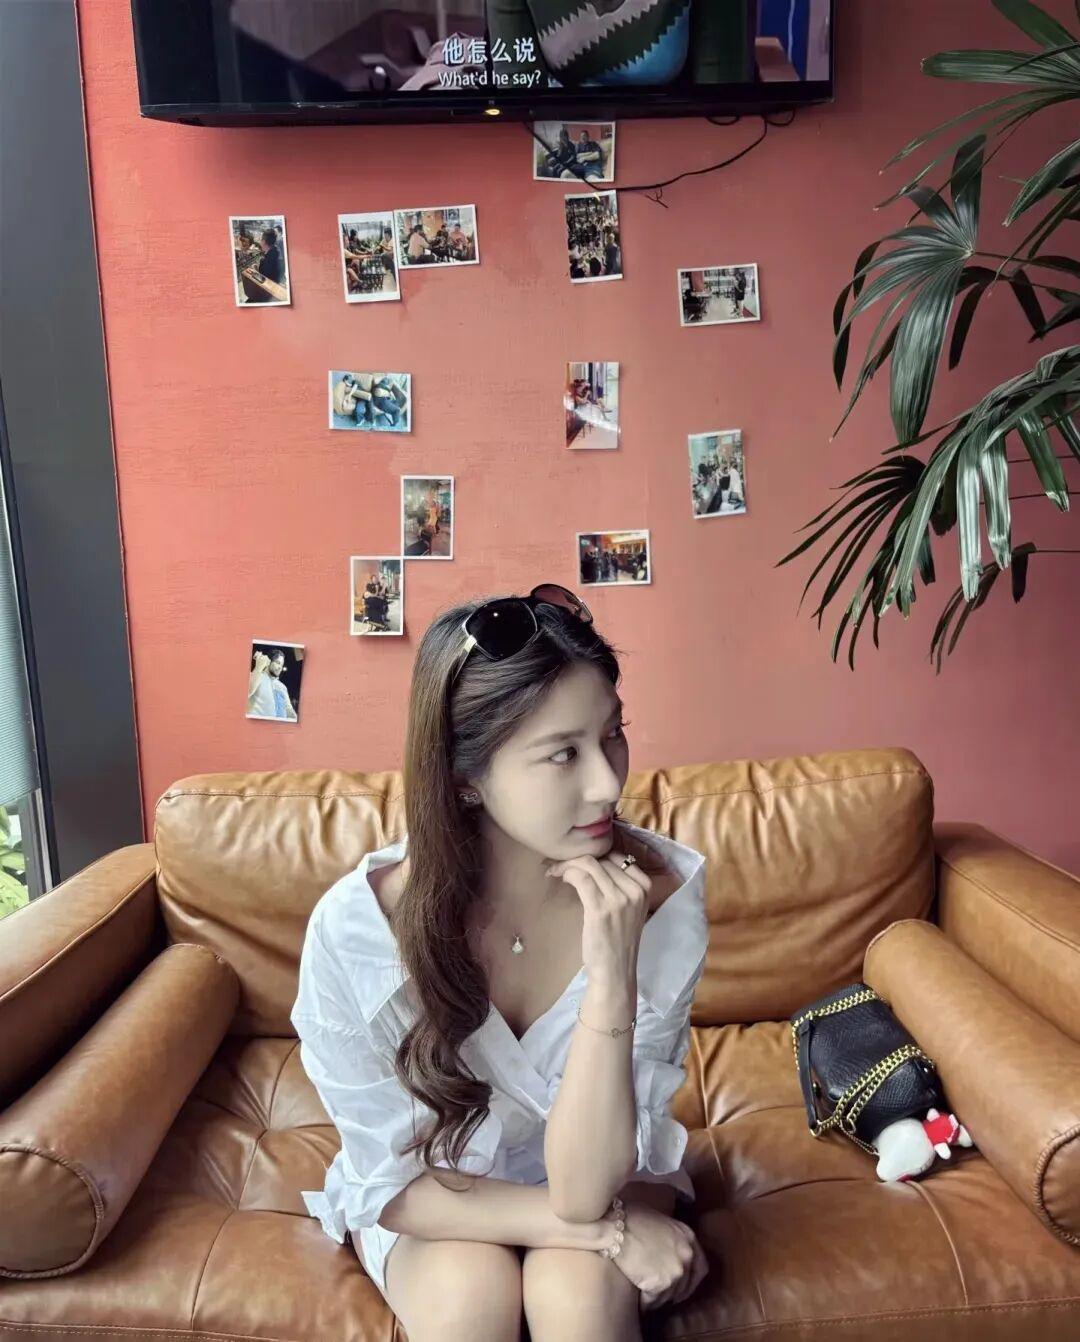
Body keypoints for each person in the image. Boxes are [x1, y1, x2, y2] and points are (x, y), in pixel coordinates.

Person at [291, 586, 711, 1332]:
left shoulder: (660, 898)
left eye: (613, 734)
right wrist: (607, 1233)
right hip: (439, 1198)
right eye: (563, 754)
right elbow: (392, 1180)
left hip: (604, 1168)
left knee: (578, 1294)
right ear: (465, 778)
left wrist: (611, 978)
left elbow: (585, 1190)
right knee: (468, 1293)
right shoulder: (359, 932)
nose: (609, 782)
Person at [247, 648, 296, 720]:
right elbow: (247, 692)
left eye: (282, 665)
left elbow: (289, 710)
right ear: (269, 661)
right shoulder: (255, 676)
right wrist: (259, 667)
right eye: (278, 663)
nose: (280, 667)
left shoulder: (282, 687)